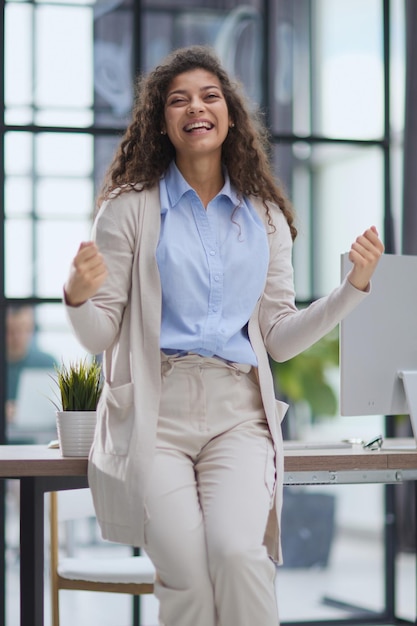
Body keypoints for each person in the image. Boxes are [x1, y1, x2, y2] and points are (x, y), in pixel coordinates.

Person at [63, 45, 384, 626]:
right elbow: (100, 331)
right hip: (154, 418)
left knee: (238, 556)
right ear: (161, 121)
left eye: (210, 96)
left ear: (230, 114)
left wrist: (351, 290)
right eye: (178, 100)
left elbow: (278, 336)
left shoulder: (263, 216)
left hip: (238, 413)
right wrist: (79, 295)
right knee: (185, 574)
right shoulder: (128, 209)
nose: (196, 107)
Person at [6, 305, 56, 423]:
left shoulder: (47, 364)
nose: (17, 337)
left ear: (31, 328)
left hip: (37, 435)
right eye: (11, 331)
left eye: (24, 329)